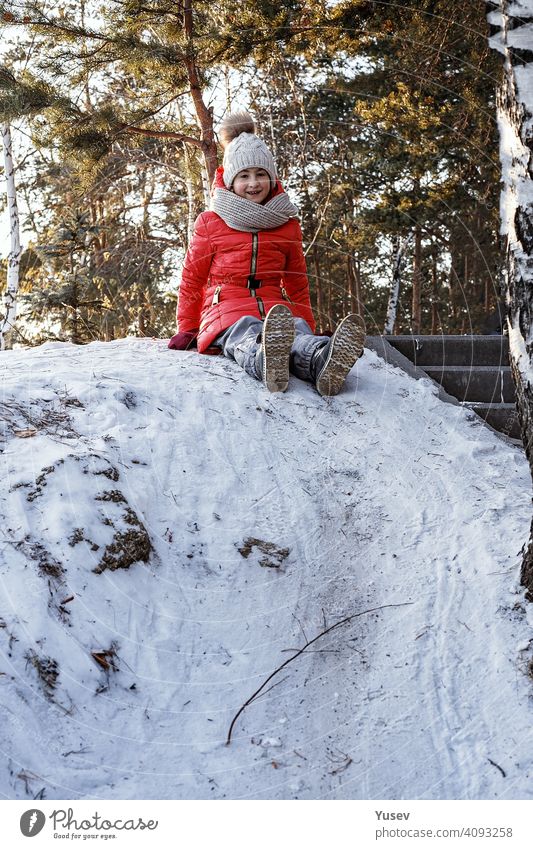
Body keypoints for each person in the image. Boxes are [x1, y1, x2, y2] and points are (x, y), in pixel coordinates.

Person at [168, 111, 365, 395]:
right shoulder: (211, 222)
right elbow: (191, 280)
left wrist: (308, 325)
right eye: (244, 176)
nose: (253, 183)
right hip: (226, 309)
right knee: (243, 332)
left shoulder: (286, 224)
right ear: (230, 181)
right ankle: (264, 361)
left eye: (261, 174)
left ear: (272, 178)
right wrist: (187, 327)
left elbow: (297, 282)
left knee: (295, 331)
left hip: (275, 311)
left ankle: (323, 360)